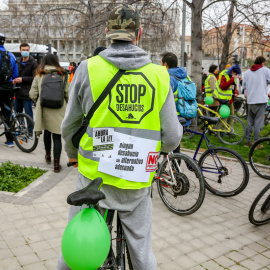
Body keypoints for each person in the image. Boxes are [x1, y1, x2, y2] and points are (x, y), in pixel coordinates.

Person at [56, 4, 182, 270]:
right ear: (140, 33)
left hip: (94, 180)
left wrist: (70, 153)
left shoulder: (87, 69)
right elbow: (171, 138)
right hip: (136, 183)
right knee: (143, 252)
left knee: (74, 252)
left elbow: (69, 125)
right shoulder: (160, 76)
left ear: (106, 33)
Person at [29, 54, 69, 172]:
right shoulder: (63, 75)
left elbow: (32, 94)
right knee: (57, 136)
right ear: (56, 62)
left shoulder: (39, 74)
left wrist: (38, 101)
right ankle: (56, 165)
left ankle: (47, 156)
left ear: (44, 62)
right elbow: (68, 93)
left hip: (44, 109)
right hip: (59, 108)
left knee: (47, 132)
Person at [242, 56, 270, 147]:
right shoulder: (265, 70)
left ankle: (248, 141)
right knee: (258, 123)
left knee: (250, 122)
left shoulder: (247, 73)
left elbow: (244, 87)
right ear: (262, 63)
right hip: (261, 100)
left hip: (250, 100)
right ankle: (256, 143)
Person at [0, 33, 18, 148]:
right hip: (9, 88)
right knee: (7, 113)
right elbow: (15, 74)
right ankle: (10, 141)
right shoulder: (11, 55)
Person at [12, 43, 38, 124]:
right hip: (17, 92)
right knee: (18, 113)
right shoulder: (17, 61)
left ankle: (30, 132)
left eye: (27, 50)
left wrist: (22, 79)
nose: (25, 51)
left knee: (28, 114)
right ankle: (21, 130)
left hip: (27, 93)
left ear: (29, 51)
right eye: (23, 50)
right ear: (20, 51)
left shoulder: (33, 63)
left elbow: (35, 78)